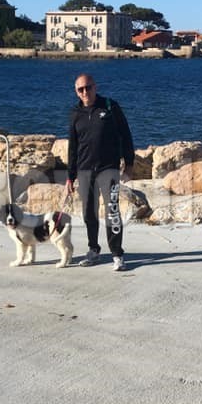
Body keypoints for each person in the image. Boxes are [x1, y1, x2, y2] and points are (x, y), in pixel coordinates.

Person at [65, 73, 135, 271]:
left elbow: (126, 135)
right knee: (89, 213)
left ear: (95, 87)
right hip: (85, 169)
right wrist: (70, 176)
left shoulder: (110, 107)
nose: (85, 92)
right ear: (76, 92)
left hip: (108, 168)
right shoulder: (75, 113)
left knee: (112, 211)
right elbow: (73, 147)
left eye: (88, 87)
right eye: (80, 89)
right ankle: (93, 250)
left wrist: (129, 163)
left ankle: (117, 254)